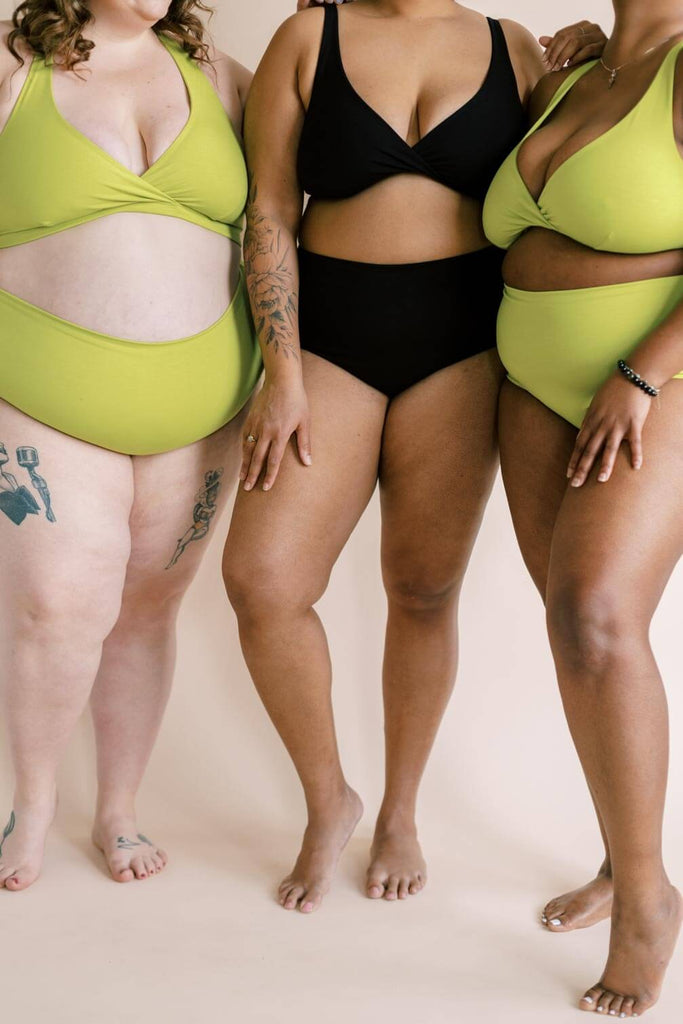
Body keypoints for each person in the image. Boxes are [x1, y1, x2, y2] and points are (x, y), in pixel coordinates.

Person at [223, 0, 605, 915]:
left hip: (466, 344)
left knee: (424, 589)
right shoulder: (309, 35)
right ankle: (330, 804)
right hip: (329, 343)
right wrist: (281, 373)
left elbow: (581, 163)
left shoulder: (509, 45)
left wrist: (584, 60)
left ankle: (399, 812)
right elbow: (270, 208)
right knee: (263, 582)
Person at [0, 0, 260, 890]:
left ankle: (118, 810)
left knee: (148, 611)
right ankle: (30, 805)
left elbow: (331, 159)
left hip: (203, 400)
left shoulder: (222, 75)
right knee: (57, 606)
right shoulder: (11, 60)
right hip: (39, 389)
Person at [483, 0, 683, 1013]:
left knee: (599, 618)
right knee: (575, 636)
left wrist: (641, 375)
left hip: (651, 389)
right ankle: (620, 856)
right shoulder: (570, 70)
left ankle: (647, 899)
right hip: (528, 388)